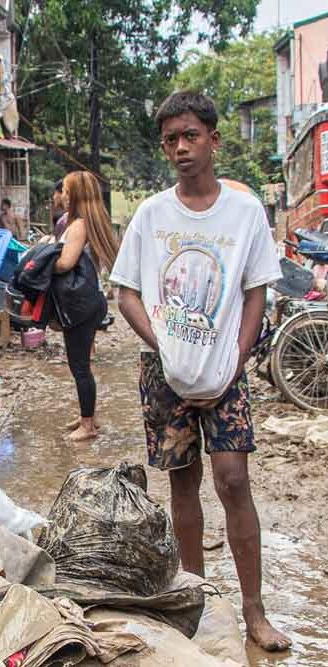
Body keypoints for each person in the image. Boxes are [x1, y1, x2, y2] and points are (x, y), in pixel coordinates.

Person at [110, 91, 290, 652]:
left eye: (190, 135)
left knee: (234, 480)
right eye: (170, 139)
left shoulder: (243, 214)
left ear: (213, 139)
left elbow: (256, 291)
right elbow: (127, 293)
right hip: (166, 373)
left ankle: (254, 611)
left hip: (226, 371)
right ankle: (195, 599)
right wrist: (164, 344)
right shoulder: (151, 215)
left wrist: (235, 357)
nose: (181, 147)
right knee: (181, 483)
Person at [56, 171, 118, 442]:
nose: (63, 196)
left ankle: (89, 424)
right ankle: (86, 414)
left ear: (77, 195)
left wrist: (44, 258)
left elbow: (65, 263)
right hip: (88, 302)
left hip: (81, 305)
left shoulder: (79, 226)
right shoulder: (87, 223)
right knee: (81, 363)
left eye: (68, 191)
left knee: (79, 365)